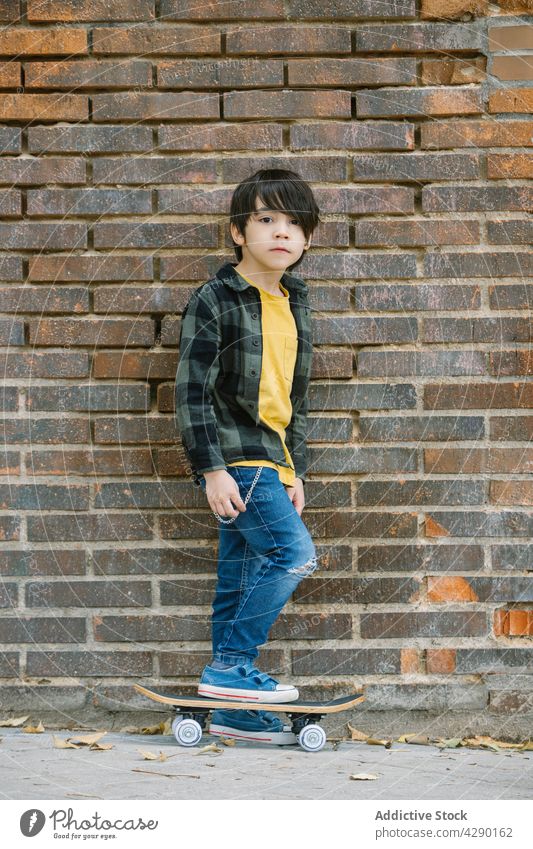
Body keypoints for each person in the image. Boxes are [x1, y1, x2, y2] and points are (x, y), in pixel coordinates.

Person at [175, 168, 320, 743]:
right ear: (238, 231)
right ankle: (231, 666)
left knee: (238, 578)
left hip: (273, 462)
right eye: (265, 219)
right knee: (292, 554)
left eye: (294, 222)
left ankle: (233, 708)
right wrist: (210, 468)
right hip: (237, 458)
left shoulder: (295, 302)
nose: (280, 232)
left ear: (307, 239)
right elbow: (192, 390)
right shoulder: (217, 298)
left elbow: (296, 398)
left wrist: (296, 469)